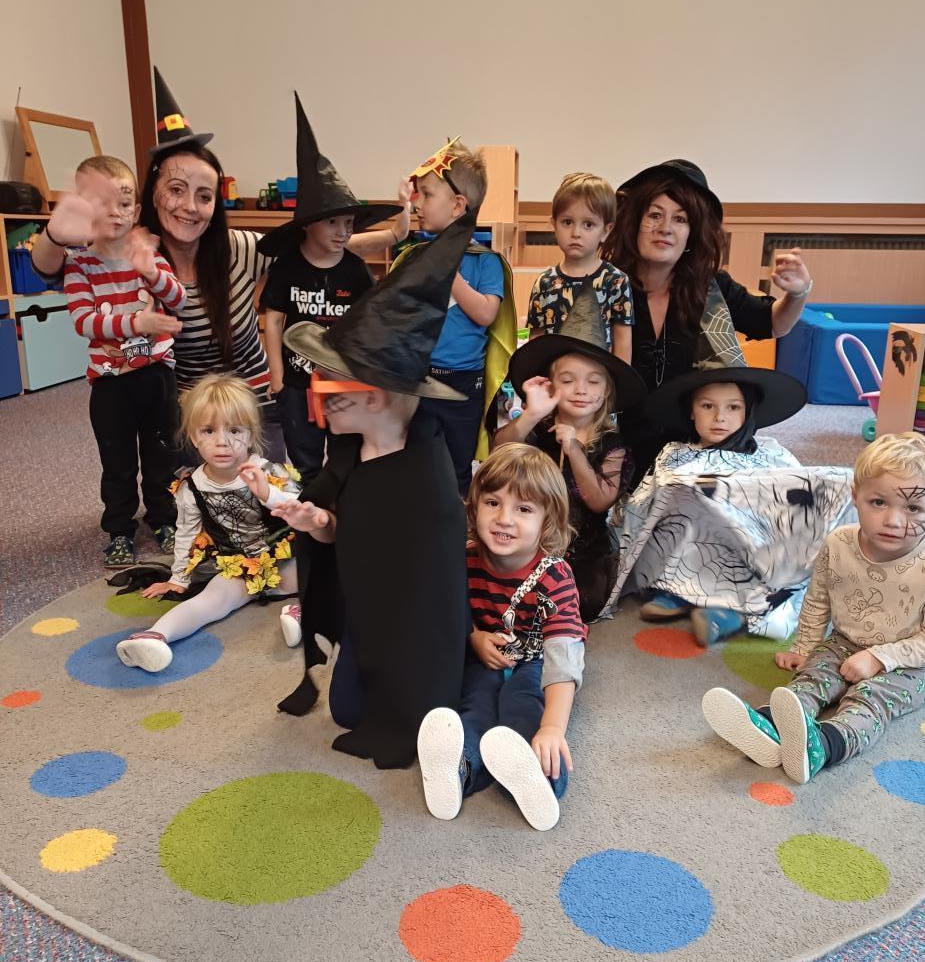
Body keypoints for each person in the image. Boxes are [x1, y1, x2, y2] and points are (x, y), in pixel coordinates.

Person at [30, 70, 410, 464]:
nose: (190, 207)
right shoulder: (133, 253)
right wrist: (55, 235)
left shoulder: (239, 248)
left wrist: (394, 235)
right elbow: (49, 269)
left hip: (255, 403)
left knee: (273, 490)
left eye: (204, 196)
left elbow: (315, 251)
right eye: (176, 190)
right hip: (188, 413)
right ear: (153, 196)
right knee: (195, 494)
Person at [270, 212, 476, 769]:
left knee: (418, 718)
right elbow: (348, 539)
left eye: (329, 385)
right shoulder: (348, 452)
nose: (318, 394)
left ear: (375, 396)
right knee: (346, 710)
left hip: (416, 641)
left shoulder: (425, 473)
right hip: (370, 624)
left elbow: (431, 593)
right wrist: (318, 526)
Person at [701, 432, 925, 783]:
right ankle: (769, 726)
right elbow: (818, 597)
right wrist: (805, 648)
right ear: (856, 496)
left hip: (910, 663)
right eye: (878, 502)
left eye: (913, 508)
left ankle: (823, 744)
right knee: (813, 678)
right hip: (844, 641)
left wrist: (879, 658)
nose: (893, 520)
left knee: (869, 699)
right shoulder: (838, 543)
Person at [601, 358, 856, 646]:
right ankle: (678, 592)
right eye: (707, 406)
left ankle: (727, 612)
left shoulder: (771, 453)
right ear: (692, 412)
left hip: (750, 554)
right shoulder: (674, 454)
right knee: (676, 505)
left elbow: (795, 494)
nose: (720, 417)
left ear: (748, 410)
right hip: (685, 550)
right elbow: (645, 502)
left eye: (733, 407)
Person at [602, 158, 813, 482]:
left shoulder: (711, 286)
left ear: (693, 232)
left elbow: (771, 323)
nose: (665, 228)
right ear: (634, 221)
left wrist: (798, 293)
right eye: (654, 215)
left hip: (695, 449)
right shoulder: (606, 284)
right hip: (617, 444)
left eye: (680, 219)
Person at [417, 443, 586, 832]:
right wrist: (473, 637)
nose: (504, 519)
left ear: (547, 521)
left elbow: (563, 657)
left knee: (522, 704)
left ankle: (540, 778)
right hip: (487, 655)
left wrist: (552, 729)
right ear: (474, 507)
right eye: (493, 503)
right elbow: (446, 612)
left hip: (539, 660)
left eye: (523, 509)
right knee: (475, 704)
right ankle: (458, 769)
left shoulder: (555, 575)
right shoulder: (463, 558)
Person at [115, 373, 300, 673]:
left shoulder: (267, 470)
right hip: (238, 567)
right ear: (193, 437)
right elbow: (186, 535)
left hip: (288, 560)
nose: (222, 441)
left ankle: (300, 614)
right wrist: (178, 579)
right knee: (212, 599)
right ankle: (155, 637)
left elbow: (301, 510)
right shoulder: (192, 487)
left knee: (330, 577)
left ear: (251, 435)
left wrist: (267, 493)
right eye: (209, 430)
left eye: (235, 430)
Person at [258, 93, 399, 480]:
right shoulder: (287, 267)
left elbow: (368, 323)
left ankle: (339, 506)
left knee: (343, 455)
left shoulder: (355, 270)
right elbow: (274, 321)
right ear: (308, 224)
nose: (343, 232)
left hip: (341, 381)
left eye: (349, 224)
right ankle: (307, 505)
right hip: (296, 382)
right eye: (333, 222)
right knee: (303, 456)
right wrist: (276, 375)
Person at [62, 154, 185, 567]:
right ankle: (119, 529)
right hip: (110, 382)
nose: (115, 212)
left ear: (135, 209)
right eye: (102, 202)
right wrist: (137, 322)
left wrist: (151, 271)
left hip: (157, 376)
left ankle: (163, 518)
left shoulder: (149, 254)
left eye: (124, 202)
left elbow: (179, 299)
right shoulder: (79, 264)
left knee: (162, 454)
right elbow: (83, 321)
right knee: (117, 462)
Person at [496, 292, 645, 621]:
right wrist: (532, 415)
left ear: (606, 391)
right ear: (551, 386)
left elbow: (599, 501)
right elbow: (500, 452)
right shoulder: (539, 429)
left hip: (583, 551)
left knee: (580, 601)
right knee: (500, 589)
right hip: (530, 540)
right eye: (568, 380)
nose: (581, 389)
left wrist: (574, 449)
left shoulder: (613, 444)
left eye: (593, 381)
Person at [406, 137, 514, 491]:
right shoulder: (414, 257)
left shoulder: (485, 262)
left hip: (464, 384)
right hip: (420, 381)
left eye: (426, 194)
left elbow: (486, 313)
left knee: (457, 469)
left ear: (457, 205)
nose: (417, 203)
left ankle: (457, 521)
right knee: (417, 464)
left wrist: (448, 270)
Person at [526, 171, 633, 362]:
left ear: (606, 231)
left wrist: (620, 381)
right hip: (555, 378)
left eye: (588, 224)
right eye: (567, 222)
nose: (576, 233)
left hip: (600, 379)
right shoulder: (544, 282)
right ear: (554, 225)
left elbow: (623, 342)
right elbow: (536, 341)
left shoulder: (616, 281)